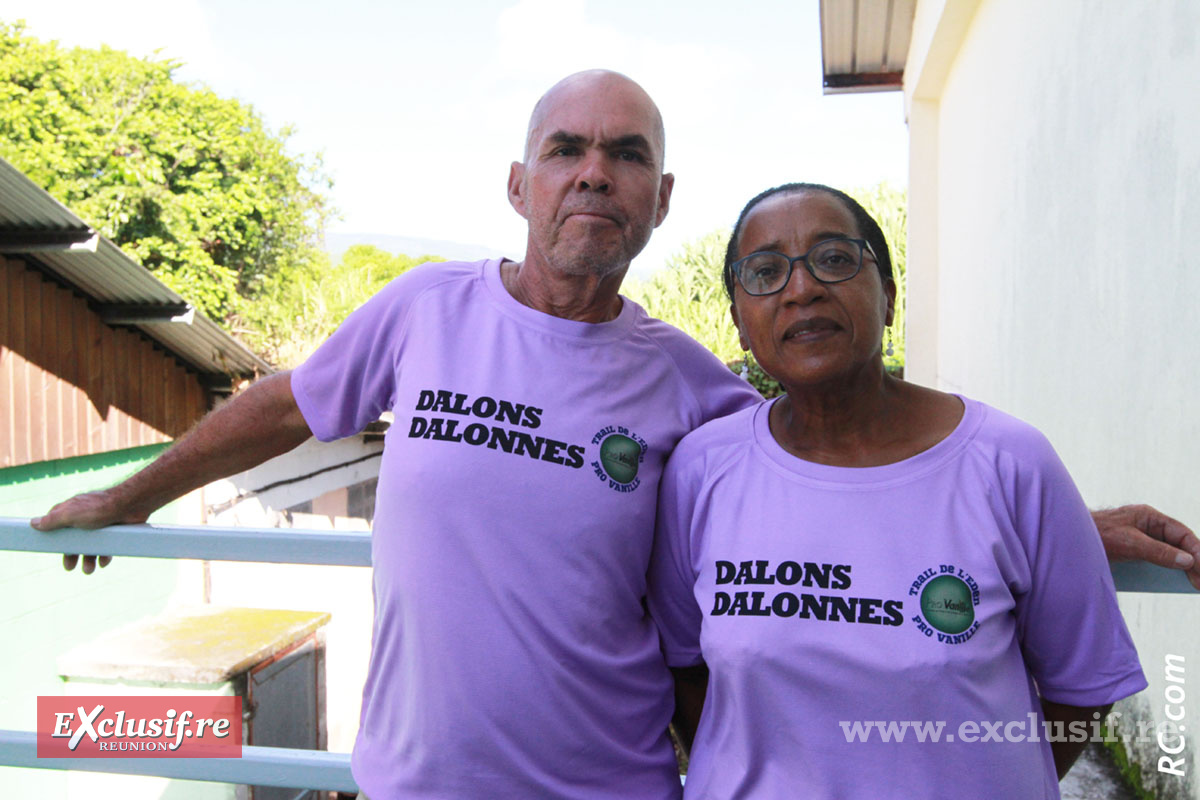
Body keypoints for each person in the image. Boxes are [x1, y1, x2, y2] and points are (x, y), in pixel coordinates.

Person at [28, 74, 1196, 798]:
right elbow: (276, 406)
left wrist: (1056, 530)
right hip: (416, 784)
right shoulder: (423, 310)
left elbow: (863, 464)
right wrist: (132, 495)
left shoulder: (692, 386)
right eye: (568, 151)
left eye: (626, 154)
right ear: (520, 185)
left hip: (617, 787)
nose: (596, 173)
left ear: (660, 199)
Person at [648, 183, 1150, 799]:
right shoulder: (702, 470)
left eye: (834, 259)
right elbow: (684, 668)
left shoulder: (1012, 463)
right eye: (765, 272)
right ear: (740, 326)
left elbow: (1081, 689)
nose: (801, 289)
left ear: (887, 296)